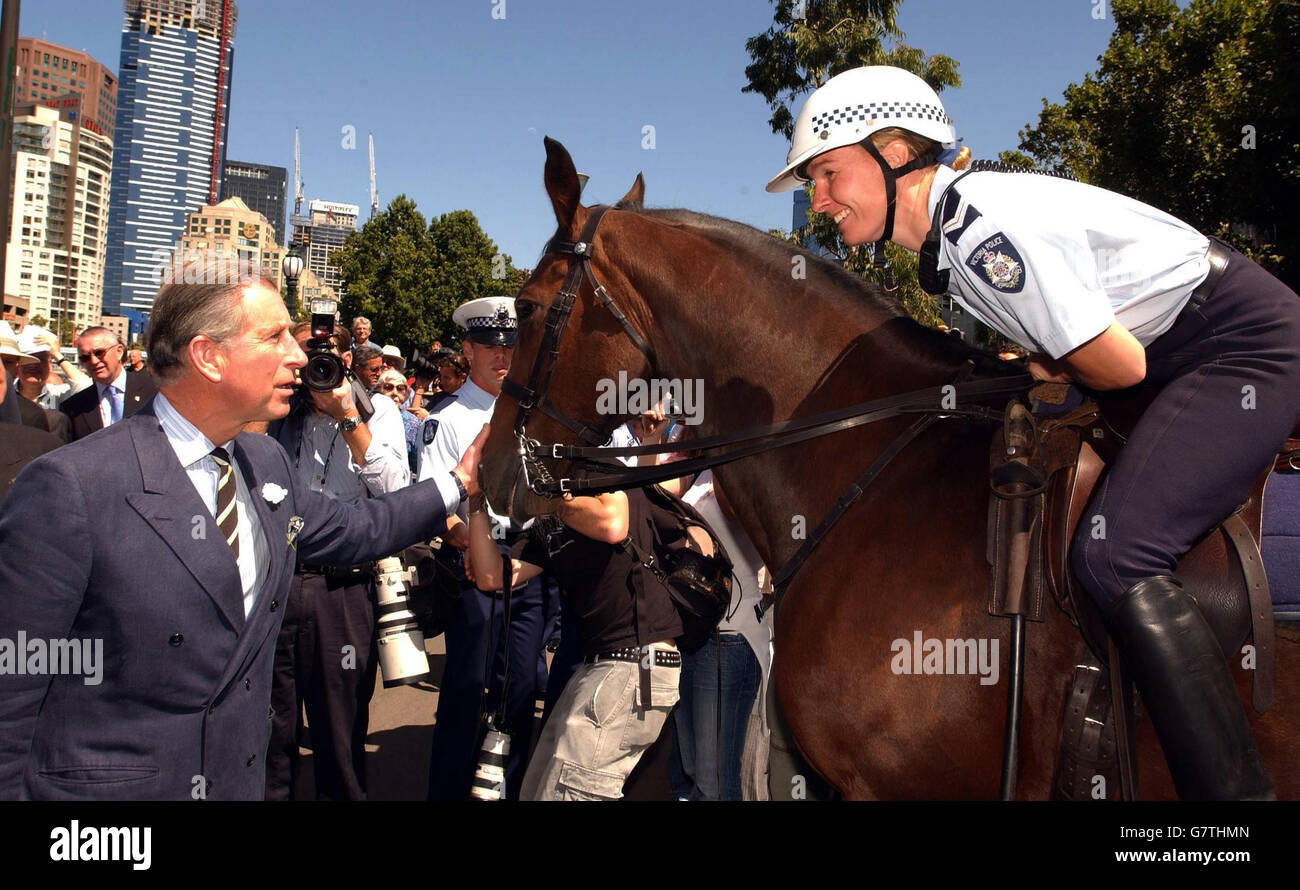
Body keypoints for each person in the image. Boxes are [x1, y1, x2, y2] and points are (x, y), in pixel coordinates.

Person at [767, 65, 1300, 800]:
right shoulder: (953, 243)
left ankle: (1236, 801)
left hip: (1237, 350)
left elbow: (1118, 362)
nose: (817, 199)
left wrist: (1057, 371)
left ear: (893, 152)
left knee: (1117, 556)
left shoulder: (979, 230)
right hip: (1189, 352)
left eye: (826, 173)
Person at [0, 273, 481, 800]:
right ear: (208, 356)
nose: (298, 356)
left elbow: (358, 528)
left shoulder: (262, 461)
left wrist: (456, 482)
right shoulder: (71, 487)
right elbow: (15, 690)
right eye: (274, 337)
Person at [464, 408, 691, 801]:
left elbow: (612, 523)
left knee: (567, 793)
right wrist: (476, 499)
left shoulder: (596, 467)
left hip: (637, 663)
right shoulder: (550, 515)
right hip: (602, 664)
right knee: (538, 788)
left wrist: (542, 497)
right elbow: (492, 576)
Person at [263, 322, 412, 801]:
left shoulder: (380, 410)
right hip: (277, 584)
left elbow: (397, 493)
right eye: (303, 352)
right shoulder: (278, 408)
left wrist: (347, 414)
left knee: (340, 736)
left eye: (324, 355)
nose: (312, 365)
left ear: (346, 360)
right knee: (269, 734)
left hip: (343, 589)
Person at [417, 296, 558, 801]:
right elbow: (437, 506)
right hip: (473, 567)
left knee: (520, 694)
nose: (504, 357)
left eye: (511, 346)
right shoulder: (448, 419)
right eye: (491, 347)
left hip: (527, 565)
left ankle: (508, 790)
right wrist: (479, 556)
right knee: (467, 695)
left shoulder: (533, 416)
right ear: (467, 350)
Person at [60, 326, 158, 441]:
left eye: (99, 353)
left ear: (119, 351)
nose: (94, 361)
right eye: (85, 358)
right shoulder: (73, 408)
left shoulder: (155, 390)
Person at [378, 366, 422, 476]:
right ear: (379, 390)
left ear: (406, 394)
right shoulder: (368, 417)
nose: (394, 392)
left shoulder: (413, 423)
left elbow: (417, 462)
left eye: (400, 388)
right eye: (388, 387)